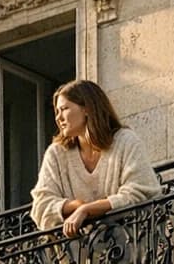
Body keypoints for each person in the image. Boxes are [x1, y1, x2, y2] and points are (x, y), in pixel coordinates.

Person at [30, 79, 162, 237]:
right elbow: (41, 206)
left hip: (129, 247)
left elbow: (140, 192)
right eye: (57, 112)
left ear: (87, 109)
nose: (58, 118)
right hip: (77, 256)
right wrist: (76, 206)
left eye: (64, 109)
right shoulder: (56, 153)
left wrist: (87, 210)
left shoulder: (125, 141)